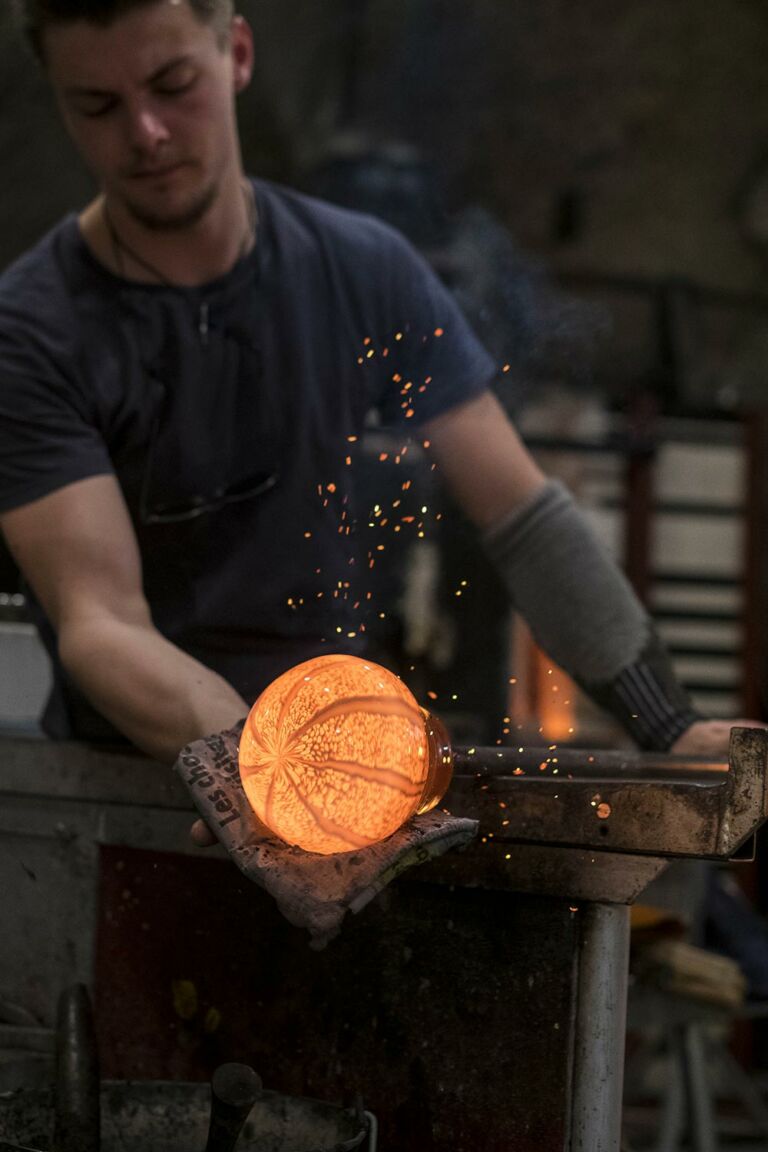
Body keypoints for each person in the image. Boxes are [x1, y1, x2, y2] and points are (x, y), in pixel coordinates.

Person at [0, 0, 749, 809]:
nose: (145, 132)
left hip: (343, 769)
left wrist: (667, 724)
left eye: (173, 85)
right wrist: (264, 769)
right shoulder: (34, 333)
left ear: (238, 54)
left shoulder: (362, 272)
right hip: (129, 802)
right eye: (98, 105)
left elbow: (523, 518)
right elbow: (102, 622)